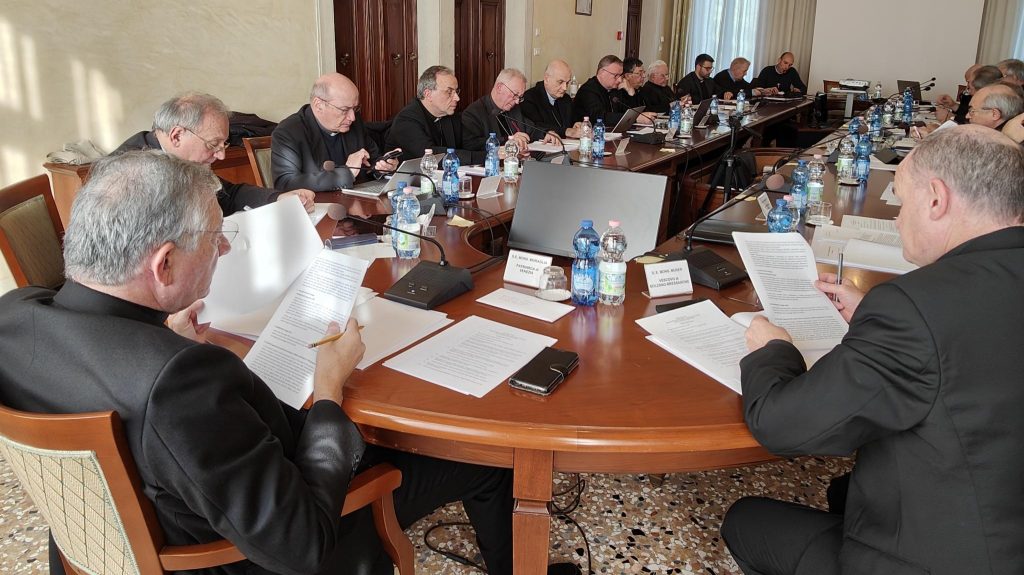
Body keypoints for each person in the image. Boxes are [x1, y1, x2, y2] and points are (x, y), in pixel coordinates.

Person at [0, 150, 547, 575]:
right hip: (232, 556)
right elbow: (301, 544)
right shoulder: (179, 382)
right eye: (215, 239)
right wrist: (329, 389)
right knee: (485, 461)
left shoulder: (14, 316)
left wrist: (161, 337)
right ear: (163, 265)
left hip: (121, 532)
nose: (224, 250)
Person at [722, 124, 1024, 575]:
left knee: (746, 521)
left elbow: (781, 425)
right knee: (842, 491)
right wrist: (875, 316)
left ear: (936, 199)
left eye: (901, 201)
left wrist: (774, 349)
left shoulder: (915, 306)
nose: (898, 220)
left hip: (945, 556)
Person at [112, 92, 314, 214]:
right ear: (177, 136)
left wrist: (279, 198)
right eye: (213, 144)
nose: (221, 156)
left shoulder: (183, 159)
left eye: (223, 144)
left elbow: (227, 195)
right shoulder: (129, 174)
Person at [271, 73, 400, 192]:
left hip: (358, 202)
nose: (352, 117)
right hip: (318, 206)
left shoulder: (354, 123)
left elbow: (372, 161)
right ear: (318, 105)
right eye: (344, 110)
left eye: (355, 108)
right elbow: (285, 183)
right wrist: (346, 173)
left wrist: (383, 166)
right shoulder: (288, 132)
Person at [385, 65, 484, 165]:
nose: (457, 98)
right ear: (428, 94)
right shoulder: (406, 120)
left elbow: (469, 143)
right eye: (449, 92)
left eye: (456, 91)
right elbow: (431, 156)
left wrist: (492, 148)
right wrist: (484, 157)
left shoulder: (449, 114)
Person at [462, 67, 561, 153]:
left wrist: (546, 134)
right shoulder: (474, 112)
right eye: (515, 95)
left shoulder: (514, 108)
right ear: (499, 88)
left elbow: (531, 129)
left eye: (520, 97)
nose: (517, 101)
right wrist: (508, 140)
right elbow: (472, 145)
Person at [520, 59, 582, 138]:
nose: (565, 88)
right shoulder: (529, 99)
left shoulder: (566, 99)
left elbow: (571, 123)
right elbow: (536, 127)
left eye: (567, 83)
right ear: (546, 79)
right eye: (560, 82)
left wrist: (575, 125)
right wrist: (566, 131)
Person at [935, 64, 1002, 124]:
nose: (967, 88)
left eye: (969, 83)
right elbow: (967, 113)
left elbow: (975, 126)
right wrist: (953, 105)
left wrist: (950, 117)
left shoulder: (992, 104)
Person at [573, 54, 627, 125]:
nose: (620, 80)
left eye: (621, 76)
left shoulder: (615, 89)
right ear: (602, 72)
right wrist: (631, 118)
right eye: (616, 75)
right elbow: (599, 118)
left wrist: (630, 93)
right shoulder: (588, 90)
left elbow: (626, 111)